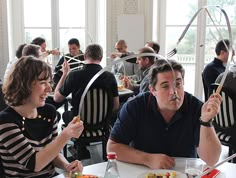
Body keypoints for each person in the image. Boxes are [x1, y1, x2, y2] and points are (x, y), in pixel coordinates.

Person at [107, 59, 222, 169]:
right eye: (165, 86)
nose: (174, 92)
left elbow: (211, 159)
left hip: (184, 172)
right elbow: (112, 148)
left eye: (178, 84)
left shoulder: (196, 107)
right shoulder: (135, 107)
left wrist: (206, 121)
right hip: (143, 171)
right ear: (153, 90)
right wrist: (148, 159)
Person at [0, 56, 84, 177]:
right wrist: (66, 134)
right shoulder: (5, 121)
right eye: (43, 83)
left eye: (49, 82)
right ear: (24, 85)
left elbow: (53, 153)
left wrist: (67, 166)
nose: (49, 88)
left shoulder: (49, 112)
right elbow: (35, 164)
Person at [54, 43, 119, 159]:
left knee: (66, 115)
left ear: (84, 57)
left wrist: (64, 74)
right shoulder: (109, 77)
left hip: (79, 124)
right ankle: (83, 149)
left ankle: (81, 148)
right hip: (103, 125)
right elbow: (115, 106)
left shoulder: (74, 75)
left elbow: (57, 98)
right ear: (101, 58)